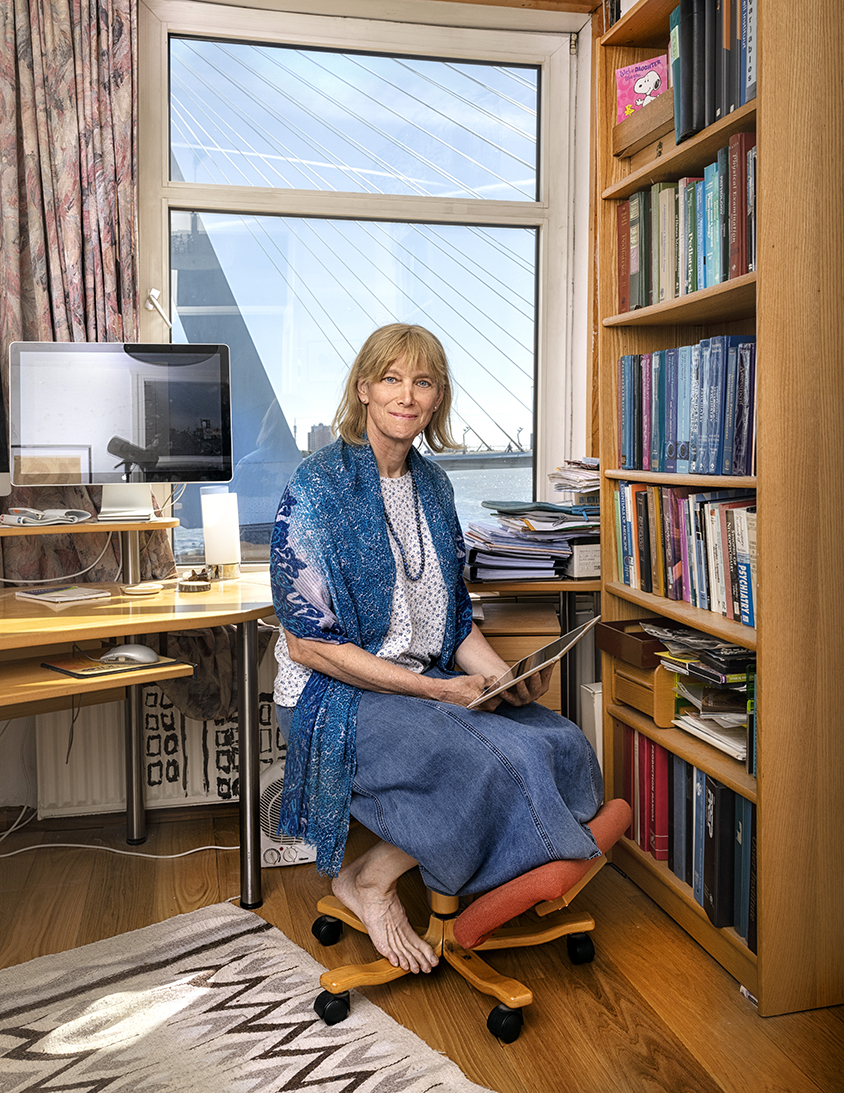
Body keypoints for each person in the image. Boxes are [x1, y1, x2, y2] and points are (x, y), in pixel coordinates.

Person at [270, 324, 603, 977]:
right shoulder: (317, 487)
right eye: (391, 378)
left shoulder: (435, 488)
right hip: (334, 696)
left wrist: (505, 678)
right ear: (364, 388)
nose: (406, 394)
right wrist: (441, 690)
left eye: (422, 381)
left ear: (437, 396)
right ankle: (367, 881)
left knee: (556, 739)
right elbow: (308, 643)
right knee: (485, 762)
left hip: (425, 680)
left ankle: (399, 866)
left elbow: (453, 626)